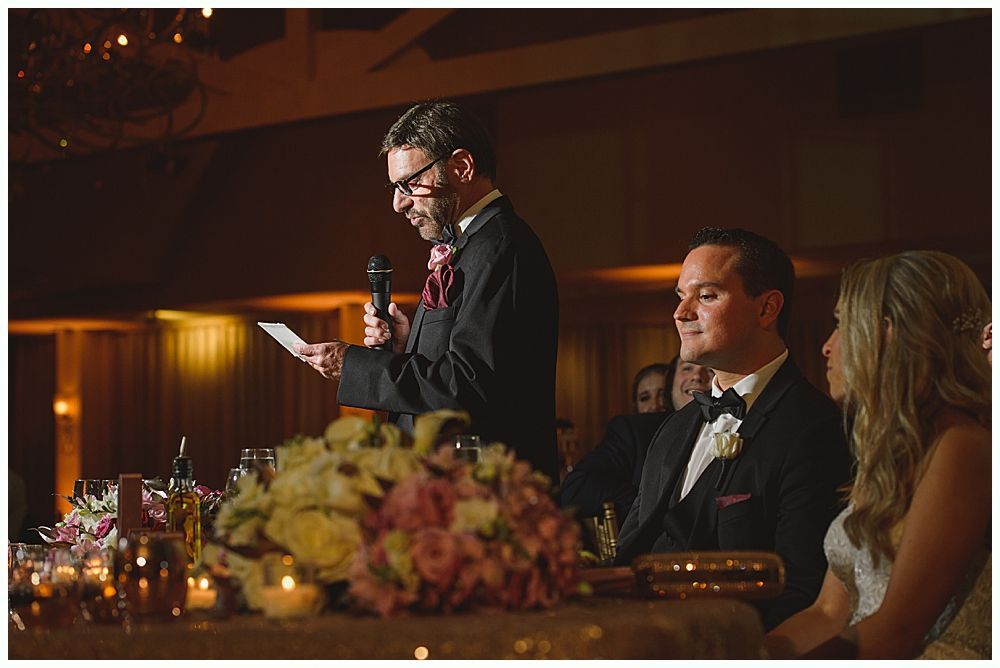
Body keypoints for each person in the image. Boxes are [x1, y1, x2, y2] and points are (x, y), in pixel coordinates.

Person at [293, 102, 560, 480]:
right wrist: (408, 345)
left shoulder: (501, 247)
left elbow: (468, 386)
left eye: (409, 183)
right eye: (394, 187)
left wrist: (351, 364)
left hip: (487, 495)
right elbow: (467, 364)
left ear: (462, 167)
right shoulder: (476, 244)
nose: (398, 203)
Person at [613, 227, 852, 631]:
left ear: (766, 309)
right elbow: (630, 553)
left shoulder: (814, 427)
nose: (681, 312)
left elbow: (799, 591)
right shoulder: (673, 428)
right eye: (680, 296)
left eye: (706, 296)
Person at [766, 251, 991, 659]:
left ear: (886, 333)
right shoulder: (885, 458)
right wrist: (750, 653)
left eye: (840, 324)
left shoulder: (963, 447)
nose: (826, 347)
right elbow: (829, 614)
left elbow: (896, 632)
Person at [562, 357, 713, 521]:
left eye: (710, 369)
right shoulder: (635, 431)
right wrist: (650, 508)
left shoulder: (737, 427)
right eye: (686, 368)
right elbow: (577, 487)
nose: (697, 376)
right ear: (671, 385)